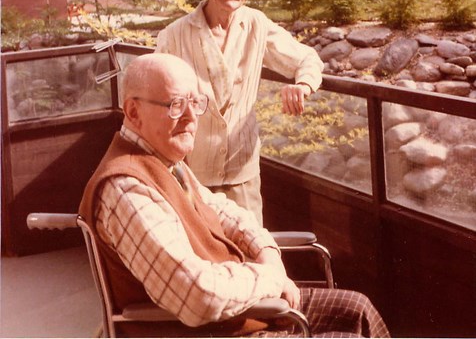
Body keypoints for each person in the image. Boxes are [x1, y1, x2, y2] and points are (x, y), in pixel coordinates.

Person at [79, 53, 390, 338]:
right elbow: (197, 296)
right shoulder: (126, 188)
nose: (191, 117)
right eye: (175, 104)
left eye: (195, 102)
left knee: (357, 309)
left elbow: (225, 213)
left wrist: (267, 252)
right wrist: (269, 278)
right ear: (134, 111)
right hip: (205, 331)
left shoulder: (164, 161)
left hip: (237, 312)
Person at [155, 0, 324, 223]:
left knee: (250, 256)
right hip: (191, 175)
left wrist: (302, 85)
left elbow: (308, 58)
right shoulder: (174, 35)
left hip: (242, 176)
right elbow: (157, 102)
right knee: (203, 259)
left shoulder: (257, 24)